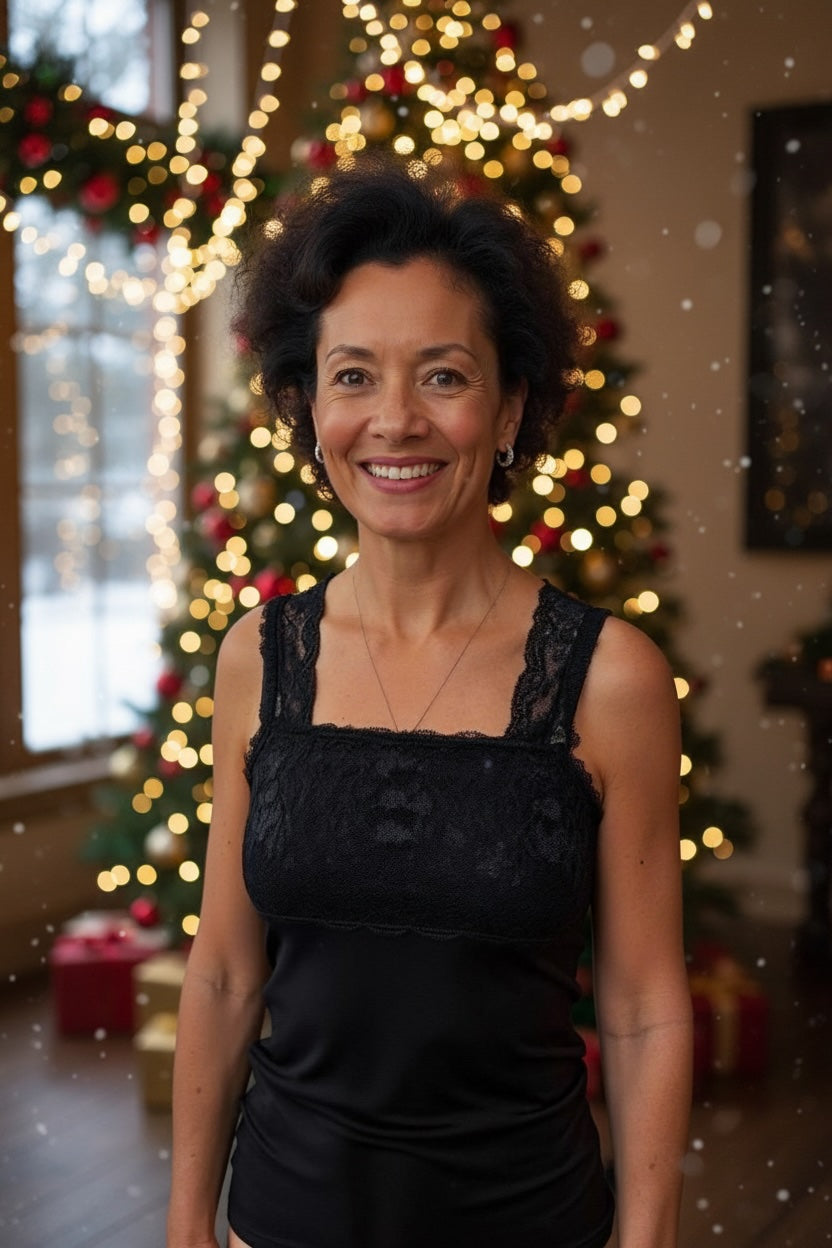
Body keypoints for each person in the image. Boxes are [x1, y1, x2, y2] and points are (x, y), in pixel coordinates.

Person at [167, 157, 693, 1248]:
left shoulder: (611, 678)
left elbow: (642, 1007)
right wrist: (183, 1228)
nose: (394, 420)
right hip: (280, 1224)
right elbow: (222, 974)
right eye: (353, 376)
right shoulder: (258, 656)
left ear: (509, 410)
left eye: (443, 377)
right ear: (309, 409)